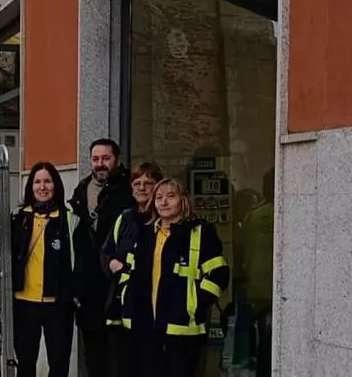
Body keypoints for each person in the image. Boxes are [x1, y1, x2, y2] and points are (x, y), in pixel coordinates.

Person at [120, 178, 230, 377]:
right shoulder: (145, 234)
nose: (164, 202)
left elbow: (219, 273)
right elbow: (128, 272)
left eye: (171, 196)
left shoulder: (201, 233)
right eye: (159, 197)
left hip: (182, 327)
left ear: (183, 200)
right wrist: (126, 298)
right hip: (145, 325)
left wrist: (196, 303)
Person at [68, 138, 136, 377]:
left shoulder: (130, 189)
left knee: (122, 350)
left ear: (117, 160)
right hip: (89, 284)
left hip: (118, 282)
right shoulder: (81, 189)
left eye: (106, 159)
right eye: (95, 159)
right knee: (94, 349)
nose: (100, 164)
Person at [11, 162, 78, 377]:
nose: (42, 187)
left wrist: (74, 294)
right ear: (30, 187)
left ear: (56, 185)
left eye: (47, 181)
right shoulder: (18, 218)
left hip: (58, 305)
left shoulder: (70, 219)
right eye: (37, 182)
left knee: (58, 364)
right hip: (23, 303)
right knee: (25, 363)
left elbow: (80, 260)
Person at [102, 161, 165, 377]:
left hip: (155, 311)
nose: (141, 187)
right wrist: (114, 265)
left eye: (148, 183)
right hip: (123, 310)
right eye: (137, 183)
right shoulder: (125, 218)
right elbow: (106, 252)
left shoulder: (165, 222)